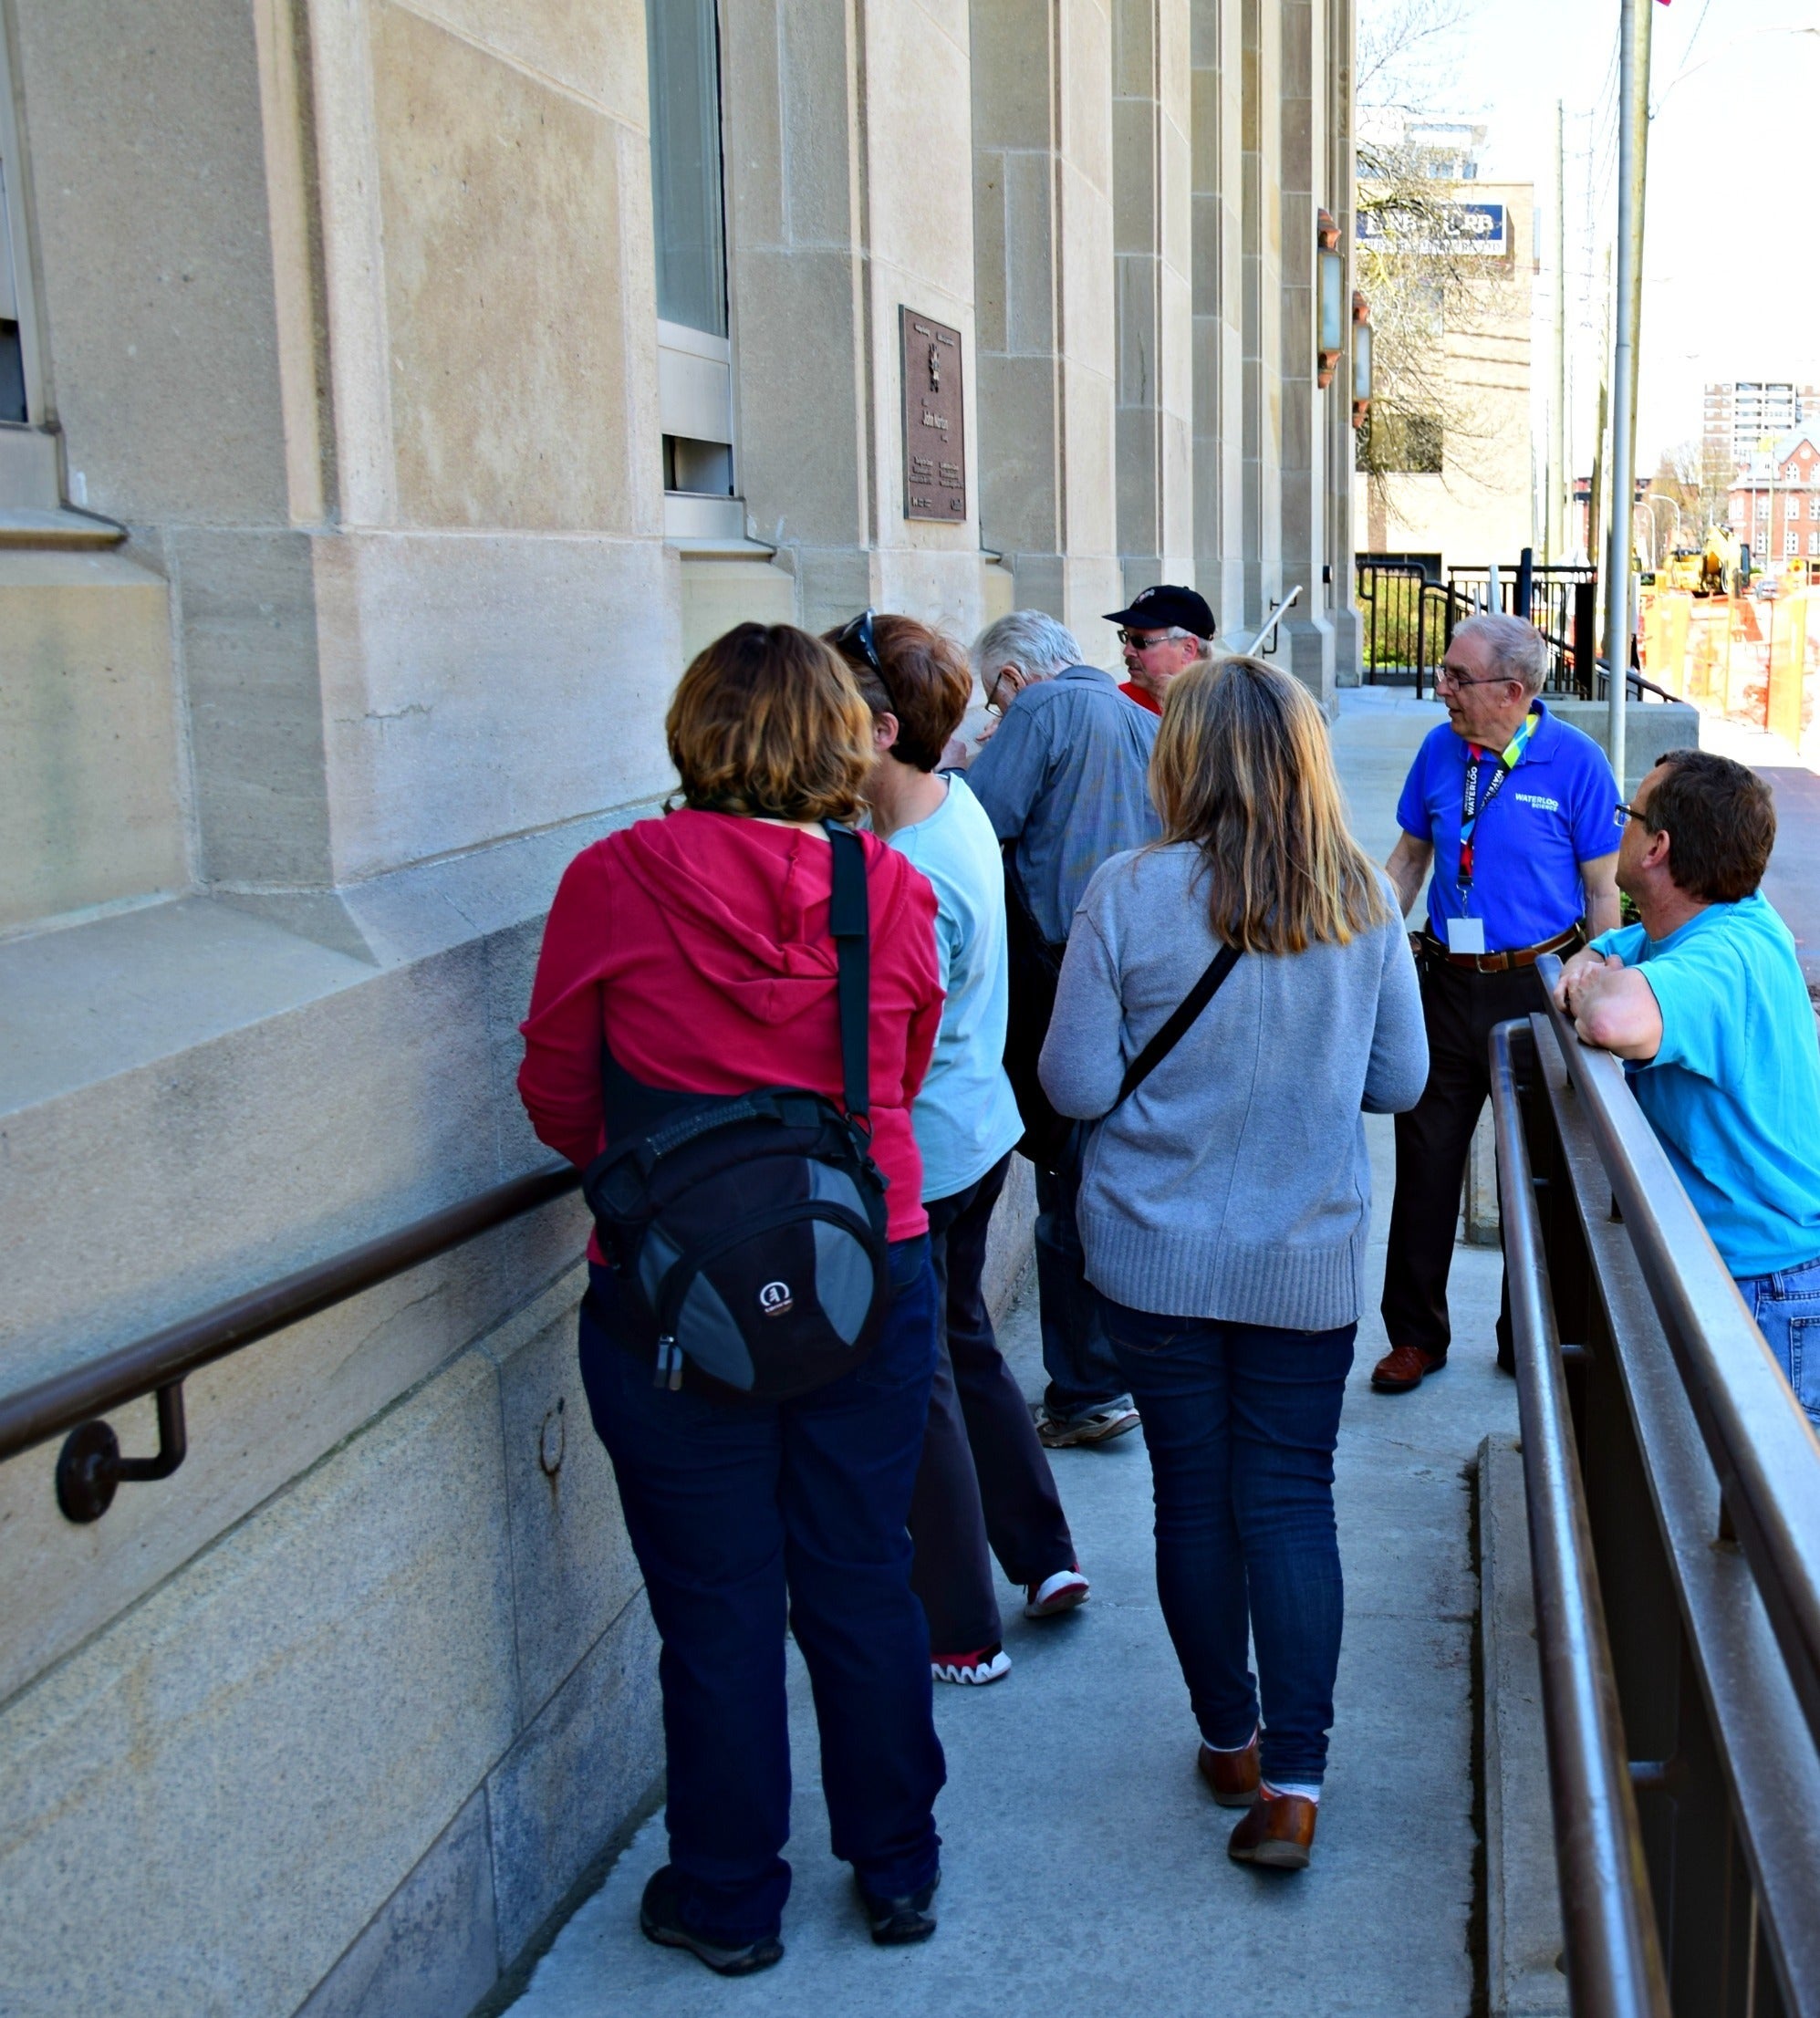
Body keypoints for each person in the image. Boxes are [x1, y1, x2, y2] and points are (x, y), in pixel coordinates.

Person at [517, 624, 948, 1974]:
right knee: (861, 1570)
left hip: (669, 1297)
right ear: (838, 736)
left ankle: (727, 1895)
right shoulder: (887, 888)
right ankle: (895, 1867)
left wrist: (663, 1193)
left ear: (692, 731)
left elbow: (555, 1090)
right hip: (863, 1262)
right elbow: (907, 1062)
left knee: (712, 1602)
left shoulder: (610, 879)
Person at [1039, 656, 1427, 1871]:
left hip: (1151, 1259)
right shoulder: (1359, 897)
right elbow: (1398, 1084)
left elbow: (1075, 1086)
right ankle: (1298, 1782)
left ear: (1180, 755)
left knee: (1190, 1494)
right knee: (1290, 1498)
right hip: (1300, 1260)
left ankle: (1228, 1740)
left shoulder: (1126, 890)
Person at [830, 609, 1087, 1689]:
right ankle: (1044, 1555)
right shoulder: (956, 809)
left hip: (928, 1155)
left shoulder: (911, 870)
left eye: (834, 711)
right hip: (977, 1135)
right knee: (966, 1342)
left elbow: (886, 1053)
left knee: (922, 1370)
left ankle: (961, 1628)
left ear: (881, 730)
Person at [1375, 612, 1622, 1394]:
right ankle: (1414, 1337)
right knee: (1424, 1170)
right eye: (1444, 673)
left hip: (1535, 991)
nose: (1440, 687)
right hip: (1446, 986)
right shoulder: (1437, 750)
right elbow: (1410, 859)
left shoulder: (1576, 762)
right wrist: (1365, 941)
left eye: (1455, 676)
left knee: (1537, 1175)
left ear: (1512, 692)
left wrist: (1592, 979)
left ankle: (1528, 1338)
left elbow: (1603, 888)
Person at [1553, 748, 1820, 1426]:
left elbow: (1613, 1017)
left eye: (1629, 817)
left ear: (1657, 849)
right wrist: (1594, 956)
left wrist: (1591, 984)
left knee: (1772, 1515)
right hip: (1751, 1271)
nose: (1620, 828)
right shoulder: (1716, 921)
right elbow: (1619, 949)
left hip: (1767, 1286)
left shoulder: (1720, 960)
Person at [968, 609, 1163, 1448]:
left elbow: (972, 826)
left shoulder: (1041, 710)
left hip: (1059, 976)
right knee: (1109, 1177)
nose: (993, 720)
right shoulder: (1138, 717)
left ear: (1014, 679)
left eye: (991, 704)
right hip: (1140, 982)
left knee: (1065, 1191)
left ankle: (1087, 1389)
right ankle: (1114, 1372)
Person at [1103, 583, 1218, 714]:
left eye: (1140, 641)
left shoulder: (1227, 714)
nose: (1127, 651)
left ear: (1187, 649)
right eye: (1126, 636)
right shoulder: (1117, 704)